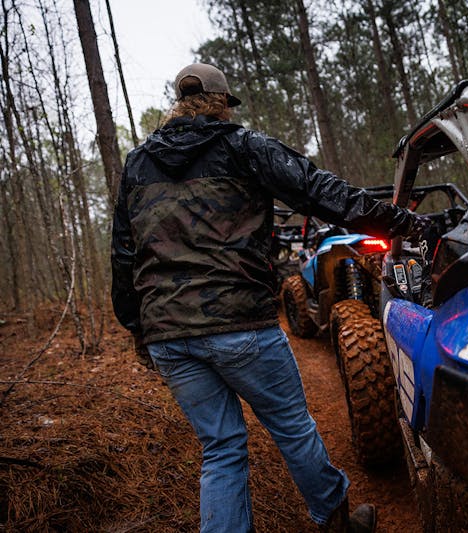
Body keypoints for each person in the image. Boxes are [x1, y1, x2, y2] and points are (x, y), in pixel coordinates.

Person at [111, 63, 428, 533]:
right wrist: (399, 221)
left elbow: (123, 252)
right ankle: (337, 519)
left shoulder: (137, 164)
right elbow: (318, 191)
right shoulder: (242, 145)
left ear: (178, 104)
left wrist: (137, 327)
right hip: (239, 322)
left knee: (220, 448)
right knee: (292, 427)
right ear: (221, 102)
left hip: (168, 335)